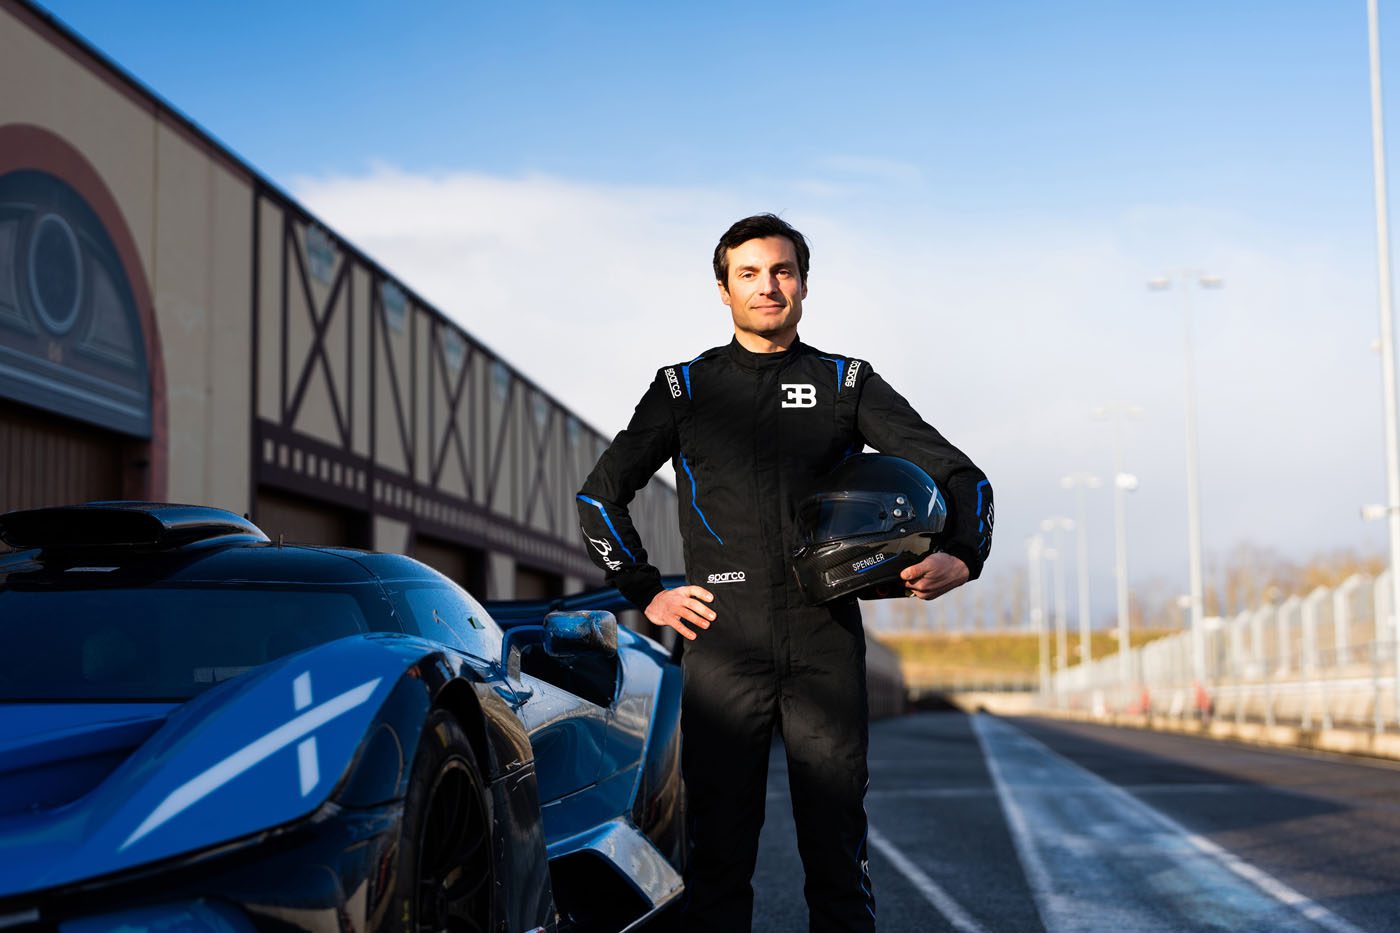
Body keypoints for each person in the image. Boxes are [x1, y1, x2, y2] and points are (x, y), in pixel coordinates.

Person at [575, 214, 993, 932]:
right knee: (719, 863)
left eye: (782, 271)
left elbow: (961, 474)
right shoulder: (682, 390)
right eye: (749, 273)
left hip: (823, 642)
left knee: (837, 859)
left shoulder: (844, 382)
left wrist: (963, 550)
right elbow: (599, 498)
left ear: (802, 283)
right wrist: (649, 592)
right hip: (723, 647)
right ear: (723, 288)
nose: (767, 286)